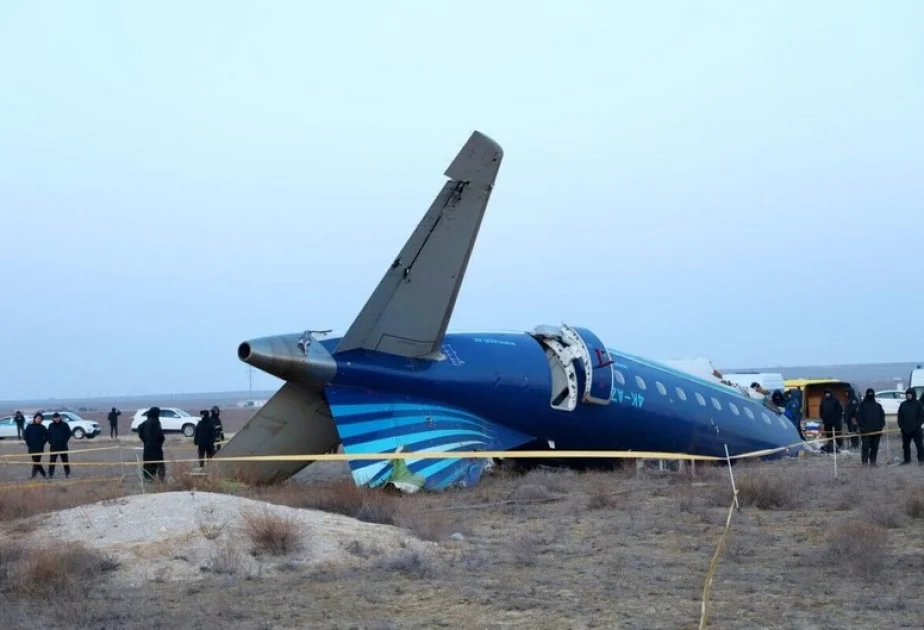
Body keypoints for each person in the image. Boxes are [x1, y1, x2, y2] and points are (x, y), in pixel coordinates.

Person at [856, 388, 885, 466]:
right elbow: (859, 417)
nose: (870, 395)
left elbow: (882, 417)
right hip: (865, 431)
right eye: (869, 394)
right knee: (865, 447)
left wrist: (880, 427)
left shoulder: (878, 406)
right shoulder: (862, 406)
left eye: (872, 394)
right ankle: (864, 462)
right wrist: (863, 426)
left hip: (876, 431)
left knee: (875, 447)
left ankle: (873, 462)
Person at [896, 388, 924, 465]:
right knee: (905, 446)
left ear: (913, 395)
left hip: (916, 429)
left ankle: (921, 460)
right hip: (905, 430)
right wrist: (901, 426)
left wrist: (917, 425)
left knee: (919, 445)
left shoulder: (918, 404)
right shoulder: (903, 404)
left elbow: (921, 416)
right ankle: (907, 460)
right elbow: (900, 416)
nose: (908, 396)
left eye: (910, 394)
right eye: (907, 394)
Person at [137, 406, 166, 482]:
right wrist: (160, 441)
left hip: (147, 447)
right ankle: (161, 480)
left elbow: (139, 429)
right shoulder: (156, 422)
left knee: (148, 463)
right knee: (160, 464)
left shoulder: (146, 422)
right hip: (156, 447)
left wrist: (145, 441)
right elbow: (160, 435)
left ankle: (149, 478)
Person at [47, 412, 72, 479]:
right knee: (52, 461)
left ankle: (67, 473)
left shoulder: (65, 425)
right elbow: (48, 435)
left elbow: (69, 434)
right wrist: (50, 442)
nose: (57, 419)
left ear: (60, 417)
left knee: (65, 461)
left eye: (58, 417)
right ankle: (50, 474)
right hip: (53, 447)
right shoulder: (51, 425)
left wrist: (64, 440)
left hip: (63, 446)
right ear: (53, 418)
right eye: (55, 418)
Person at [23, 413, 48, 479]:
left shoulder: (43, 427)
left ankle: (34, 476)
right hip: (32, 447)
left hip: (40, 448)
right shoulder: (30, 426)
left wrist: (43, 443)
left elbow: (47, 436)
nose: (39, 420)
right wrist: (29, 444)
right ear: (35, 418)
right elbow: (25, 436)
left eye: (40, 419)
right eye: (38, 418)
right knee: (36, 462)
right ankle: (42, 475)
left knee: (36, 462)